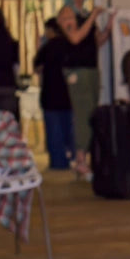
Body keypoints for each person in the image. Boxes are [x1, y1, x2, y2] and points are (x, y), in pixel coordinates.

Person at [57, 0, 114, 181]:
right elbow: (75, 38)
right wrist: (93, 17)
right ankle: (80, 161)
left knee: (90, 114)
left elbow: (96, 42)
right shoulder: (66, 13)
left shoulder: (84, 13)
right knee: (82, 115)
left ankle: (83, 158)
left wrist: (107, 26)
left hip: (90, 69)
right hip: (77, 72)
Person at [33, 18, 75, 170]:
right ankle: (72, 157)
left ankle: (58, 163)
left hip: (50, 94)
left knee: (53, 131)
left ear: (51, 30)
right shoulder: (70, 45)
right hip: (68, 94)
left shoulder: (47, 47)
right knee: (68, 129)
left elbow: (37, 68)